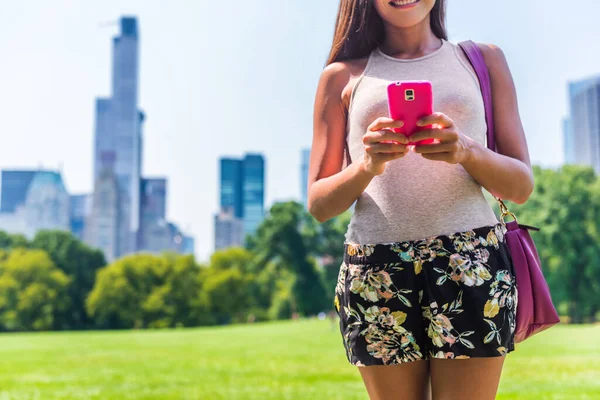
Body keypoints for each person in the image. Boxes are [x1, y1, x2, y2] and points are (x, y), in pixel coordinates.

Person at [308, 1, 533, 399]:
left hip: (470, 262)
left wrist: (466, 150)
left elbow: (521, 187)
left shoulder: (483, 60)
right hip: (377, 270)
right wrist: (366, 164)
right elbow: (320, 204)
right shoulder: (342, 77)